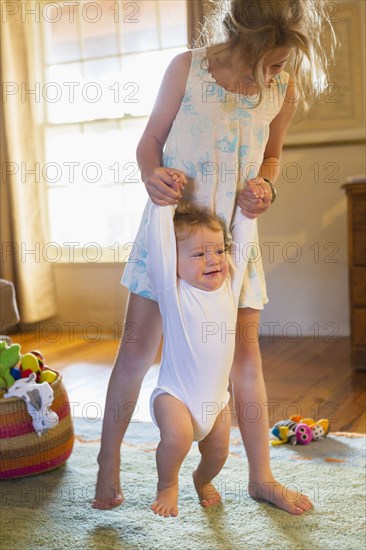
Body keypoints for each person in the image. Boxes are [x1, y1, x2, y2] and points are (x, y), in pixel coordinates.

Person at [93, 0, 334, 514]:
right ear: (243, 39)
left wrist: (267, 184)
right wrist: (151, 174)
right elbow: (149, 142)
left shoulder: (281, 89)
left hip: (233, 242)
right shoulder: (188, 68)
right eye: (270, 62)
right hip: (171, 234)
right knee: (137, 350)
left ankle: (261, 477)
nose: (278, 73)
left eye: (283, 64)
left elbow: (272, 154)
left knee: (246, 358)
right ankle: (107, 463)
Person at [146, 192, 256, 517]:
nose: (214, 259)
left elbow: (245, 246)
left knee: (219, 452)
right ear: (174, 262)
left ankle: (202, 479)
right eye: (199, 254)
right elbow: (159, 245)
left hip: (216, 401)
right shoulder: (173, 291)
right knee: (179, 438)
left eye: (219, 250)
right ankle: (167, 484)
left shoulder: (229, 286)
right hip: (174, 396)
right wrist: (161, 205)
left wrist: (249, 212)